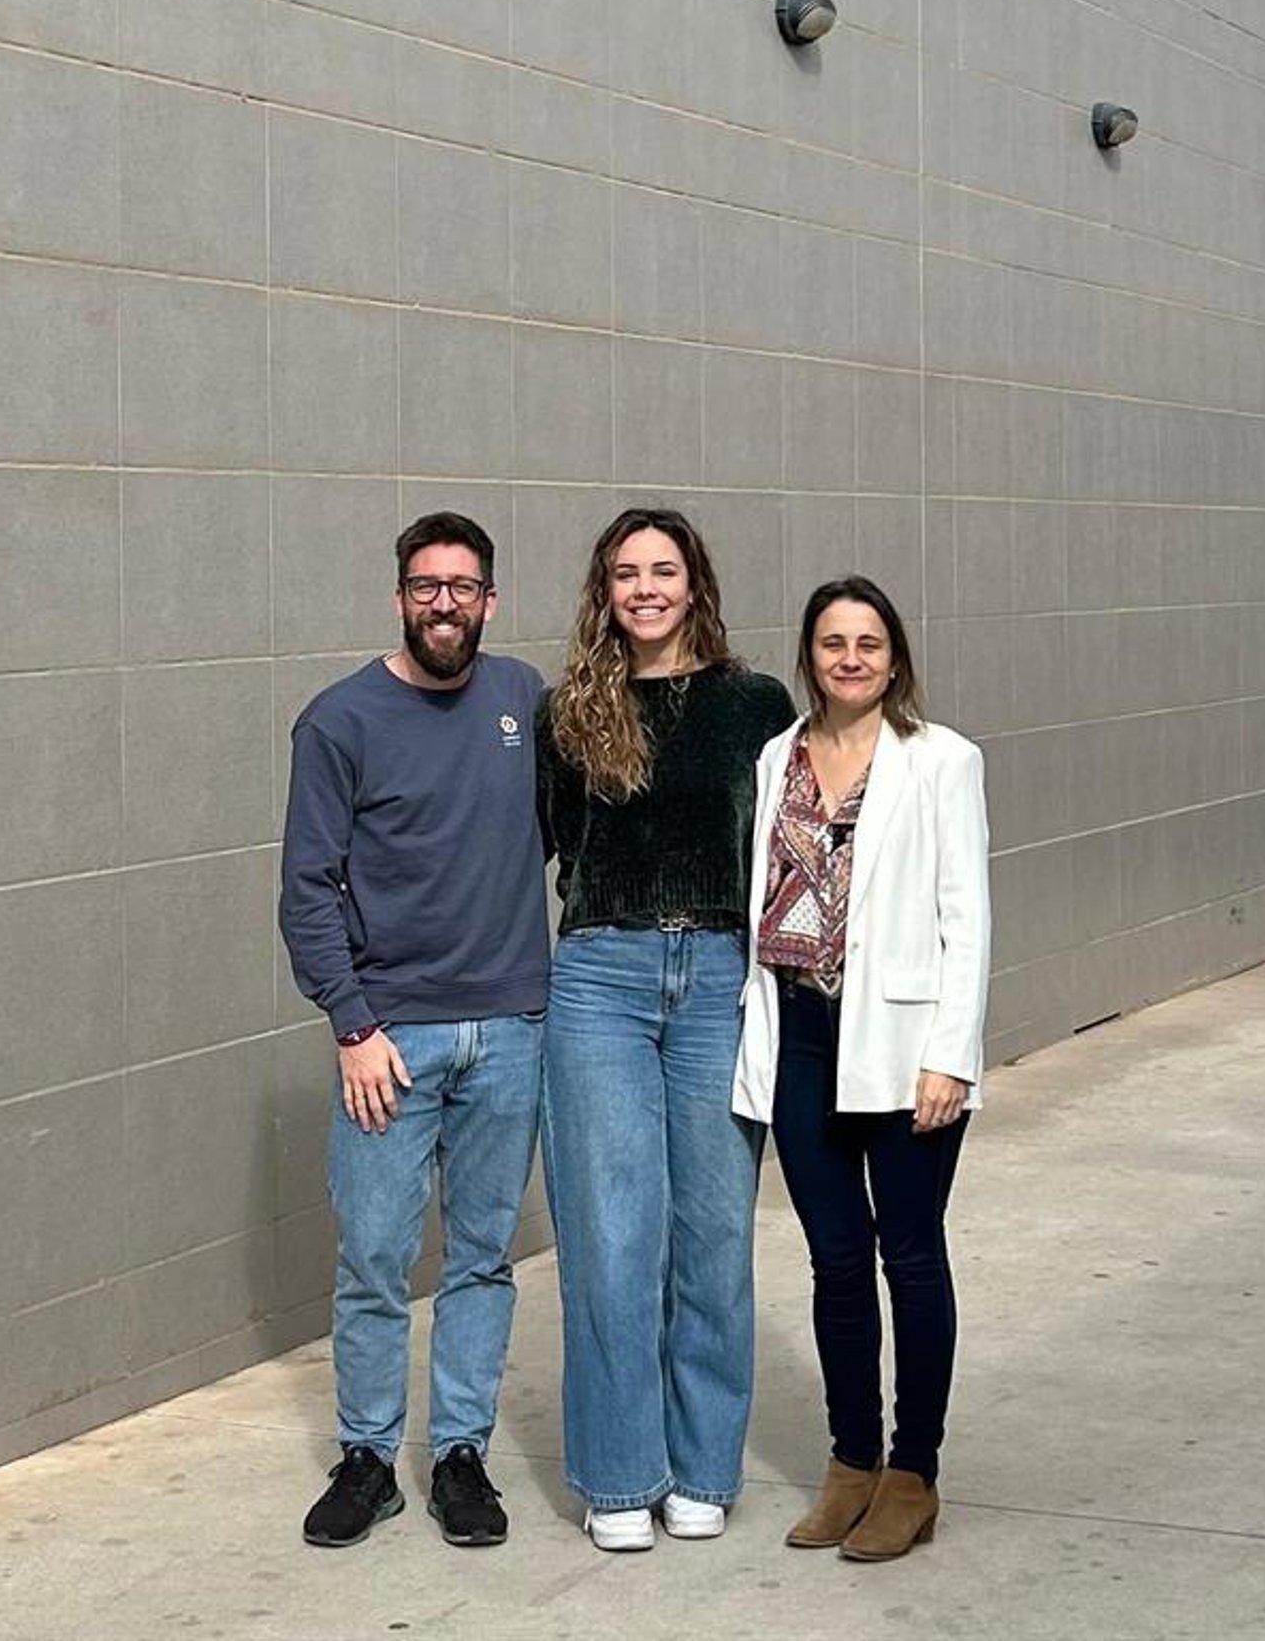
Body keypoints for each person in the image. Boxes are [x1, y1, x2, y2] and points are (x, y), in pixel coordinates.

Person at [279, 514, 549, 1551]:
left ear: (490, 599)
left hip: (511, 1029)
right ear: (399, 597)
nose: (445, 603)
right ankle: (367, 1457)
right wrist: (352, 1024)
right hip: (391, 1040)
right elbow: (307, 887)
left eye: (463, 586)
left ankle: (460, 1455)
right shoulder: (339, 721)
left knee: (482, 1257)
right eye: (426, 585)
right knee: (377, 1257)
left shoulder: (524, 698)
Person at [537, 506, 796, 1550]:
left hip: (721, 974)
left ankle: (702, 1466)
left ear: (695, 583)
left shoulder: (755, 705)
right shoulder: (569, 711)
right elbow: (555, 843)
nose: (645, 587)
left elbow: (784, 846)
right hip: (602, 975)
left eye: (664, 569)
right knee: (611, 1235)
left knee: (715, 1234)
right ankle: (617, 1474)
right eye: (626, 572)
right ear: (604, 591)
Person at [733, 574, 991, 1563]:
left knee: (910, 1255)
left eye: (868, 642)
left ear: (894, 657)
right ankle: (851, 1462)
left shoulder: (941, 759)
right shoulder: (777, 756)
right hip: (801, 1036)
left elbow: (967, 916)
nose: (850, 657)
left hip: (902, 1043)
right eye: (833, 641)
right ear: (809, 654)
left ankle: (913, 1473)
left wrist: (950, 1056)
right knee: (835, 1259)